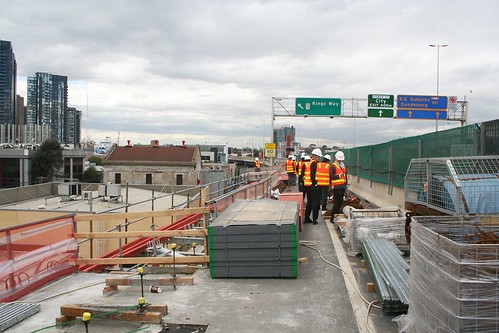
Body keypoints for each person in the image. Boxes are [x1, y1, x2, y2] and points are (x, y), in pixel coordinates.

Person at [303, 149, 322, 225]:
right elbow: (313, 175)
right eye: (318, 156)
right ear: (314, 156)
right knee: (315, 203)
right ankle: (315, 219)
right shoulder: (314, 163)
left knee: (310, 202)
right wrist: (315, 184)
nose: (319, 158)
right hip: (313, 186)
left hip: (308, 186)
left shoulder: (309, 162)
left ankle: (307, 218)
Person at [329, 151, 347, 223]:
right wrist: (338, 176)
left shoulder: (343, 166)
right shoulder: (333, 166)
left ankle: (335, 217)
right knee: (337, 203)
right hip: (337, 187)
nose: (340, 160)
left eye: (341, 159)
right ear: (336, 158)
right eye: (339, 159)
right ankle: (333, 218)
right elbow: (331, 176)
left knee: (339, 203)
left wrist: (346, 185)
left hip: (342, 186)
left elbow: (345, 176)